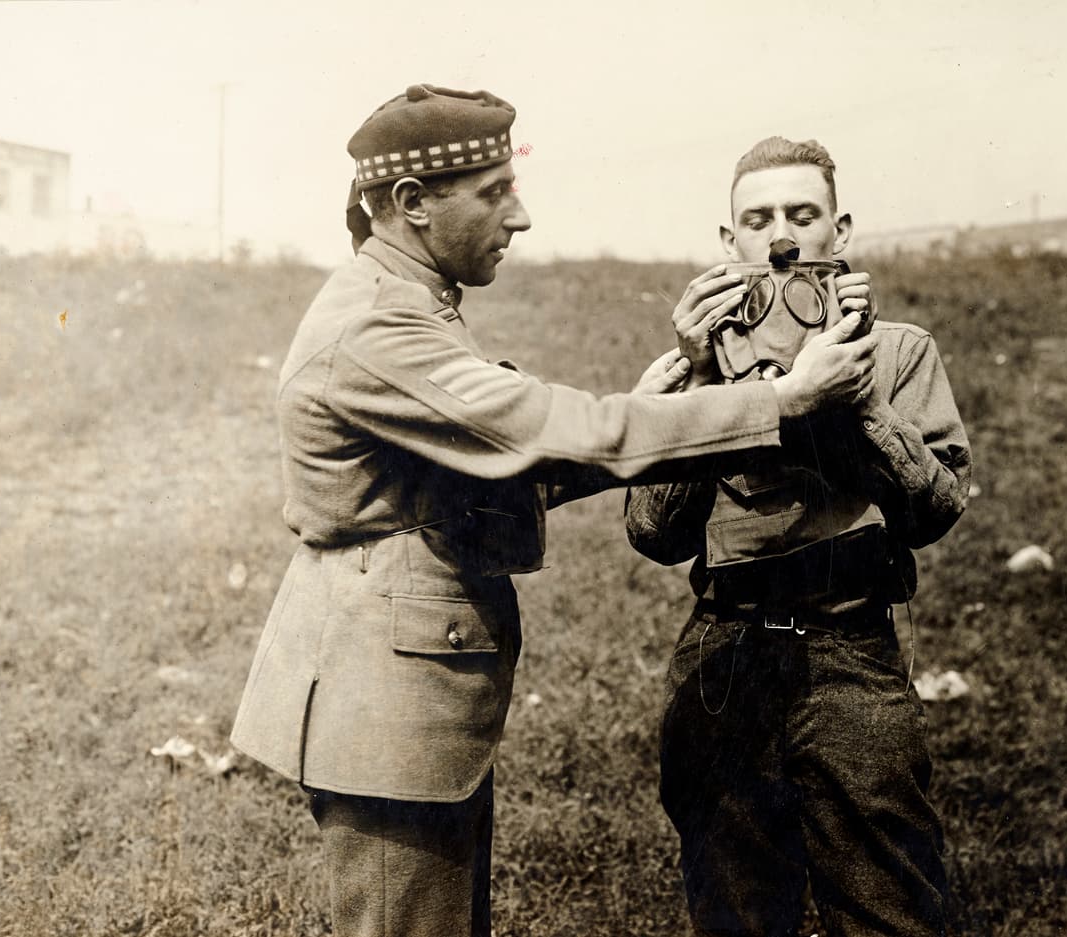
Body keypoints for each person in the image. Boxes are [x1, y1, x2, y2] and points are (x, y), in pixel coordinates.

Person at [228, 87, 862, 937]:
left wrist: (651, 411)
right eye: (494, 192)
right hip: (382, 709)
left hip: (395, 697)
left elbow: (500, 469)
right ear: (412, 203)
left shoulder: (404, 302)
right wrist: (781, 401)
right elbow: (548, 430)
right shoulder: (380, 327)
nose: (519, 216)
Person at [625, 136, 973, 937]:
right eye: (758, 219)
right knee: (736, 908)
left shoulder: (898, 350)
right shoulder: (697, 363)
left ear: (839, 230)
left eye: (802, 214)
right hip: (726, 650)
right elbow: (653, 532)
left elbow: (935, 511)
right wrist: (702, 380)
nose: (781, 237)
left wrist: (858, 397)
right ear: (729, 242)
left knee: (889, 904)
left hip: (850, 646)